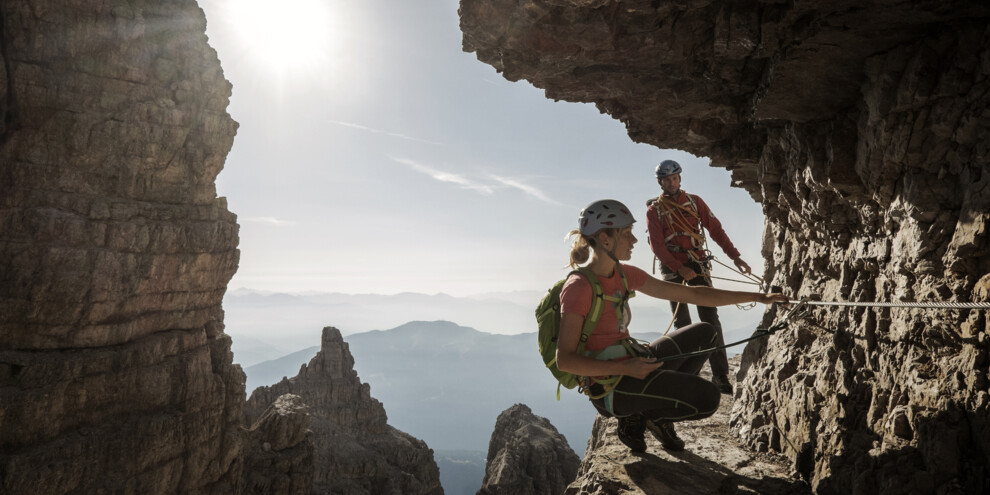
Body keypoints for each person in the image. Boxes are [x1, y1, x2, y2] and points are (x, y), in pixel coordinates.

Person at [557, 199, 788, 453]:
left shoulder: (624, 274)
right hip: (610, 387)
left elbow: (696, 295)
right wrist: (625, 368)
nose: (634, 241)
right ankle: (645, 415)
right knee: (708, 398)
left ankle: (653, 414)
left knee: (706, 333)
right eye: (626, 234)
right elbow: (565, 360)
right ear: (605, 238)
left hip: (632, 364)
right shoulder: (579, 287)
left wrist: (758, 297)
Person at [646, 159, 752, 395]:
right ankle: (686, 375)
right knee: (683, 324)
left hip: (697, 262)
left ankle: (720, 375)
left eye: (674, 178)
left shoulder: (695, 202)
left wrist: (735, 257)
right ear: (661, 182)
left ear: (680, 179)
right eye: (666, 179)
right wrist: (678, 267)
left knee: (710, 319)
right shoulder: (654, 211)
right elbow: (657, 246)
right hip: (673, 269)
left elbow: (716, 230)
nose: (671, 183)